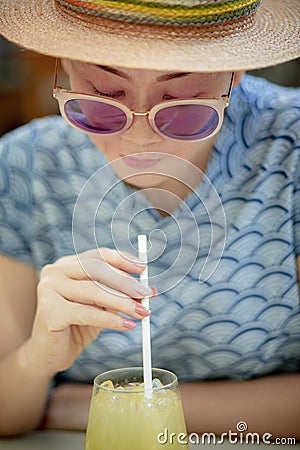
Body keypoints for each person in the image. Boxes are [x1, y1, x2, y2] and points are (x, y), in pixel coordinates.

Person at [0, 0, 299, 440]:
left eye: (181, 103)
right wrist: (38, 360)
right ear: (63, 65)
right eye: (104, 96)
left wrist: (85, 404)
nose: (140, 138)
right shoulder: (24, 165)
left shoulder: (289, 147)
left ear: (237, 70)